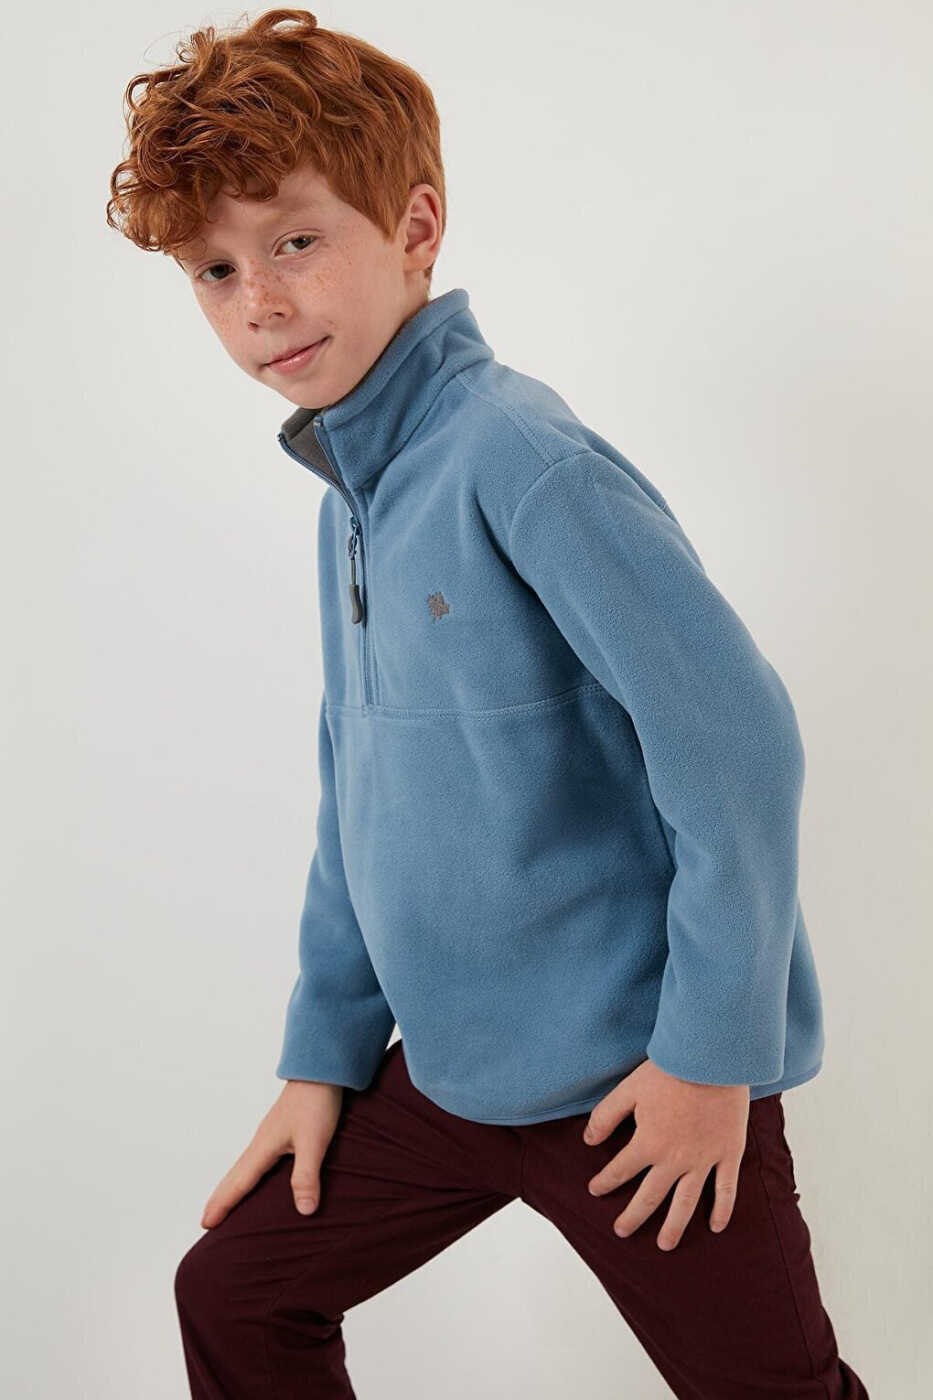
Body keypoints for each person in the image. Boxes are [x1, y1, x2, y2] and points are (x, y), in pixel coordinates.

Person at [107, 10, 870, 1397]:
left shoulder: (517, 456)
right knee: (237, 1293)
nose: (258, 300)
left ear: (414, 229)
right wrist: (323, 1060)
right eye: (214, 270)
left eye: (293, 240)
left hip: (639, 1085)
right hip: (453, 1079)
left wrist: (707, 1064)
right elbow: (358, 797)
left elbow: (739, 747)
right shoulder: (354, 498)